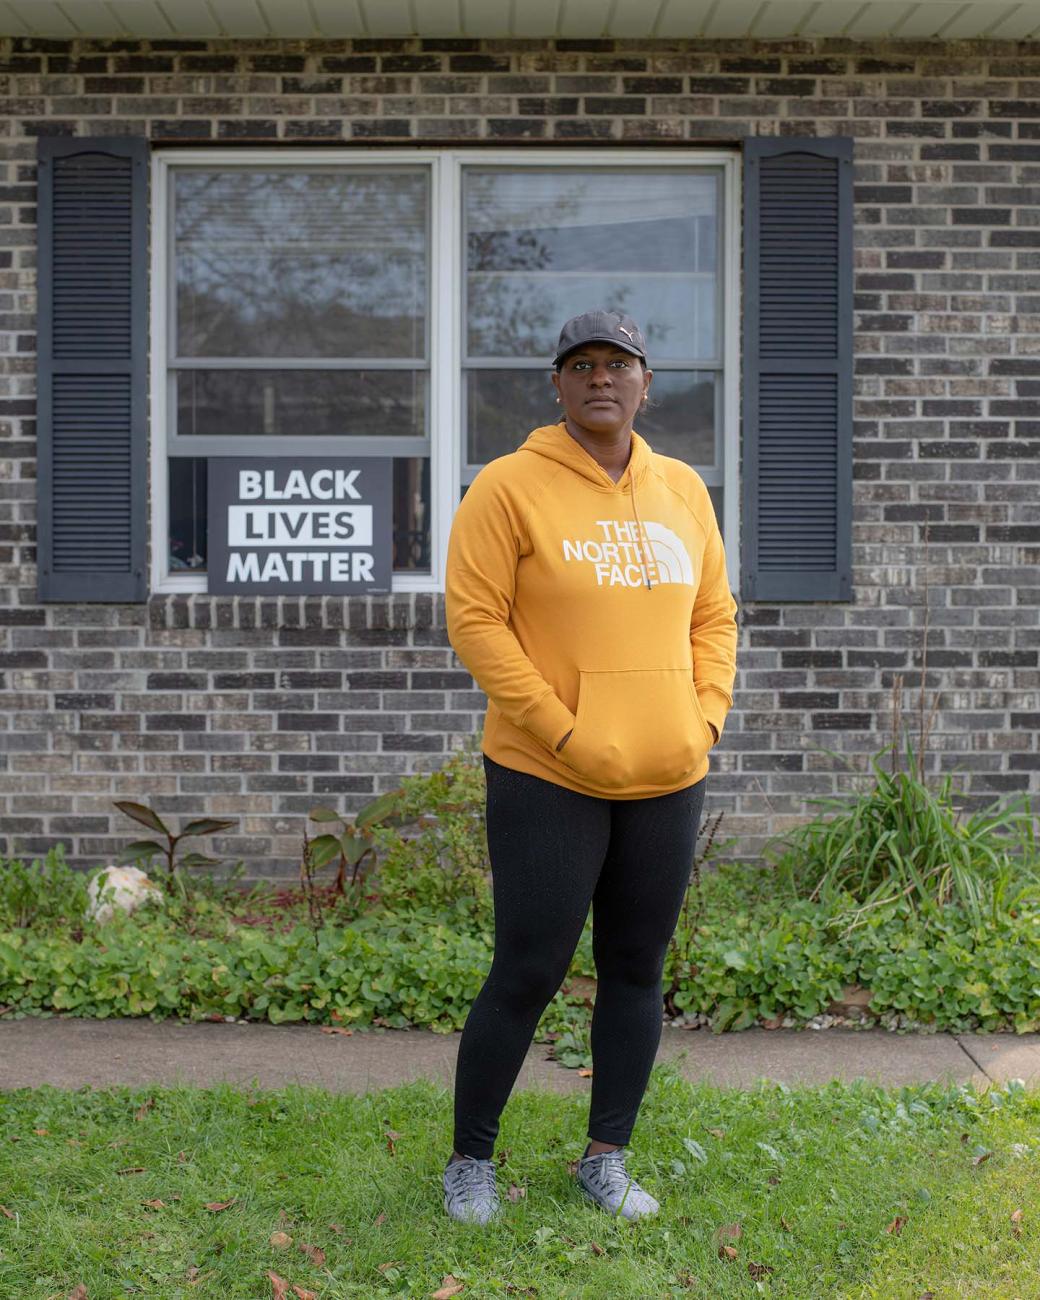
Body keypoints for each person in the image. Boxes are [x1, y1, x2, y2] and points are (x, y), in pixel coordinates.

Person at [442, 309, 739, 1225]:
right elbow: (475, 622)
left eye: (618, 363)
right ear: (558, 386)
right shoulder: (508, 487)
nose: (600, 378)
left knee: (637, 968)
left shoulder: (683, 488)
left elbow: (714, 618)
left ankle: (605, 1156)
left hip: (667, 771)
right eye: (581, 365)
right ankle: (471, 1163)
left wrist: (705, 722)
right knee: (528, 968)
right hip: (547, 773)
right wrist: (561, 730)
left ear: (646, 383)